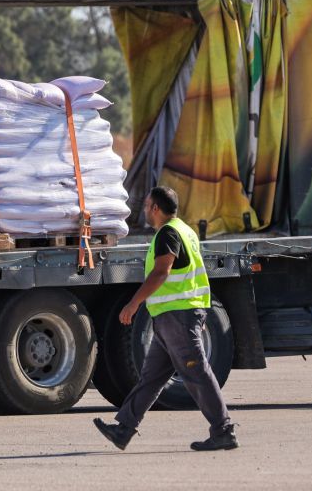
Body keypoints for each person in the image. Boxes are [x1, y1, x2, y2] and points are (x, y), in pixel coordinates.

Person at [93, 186, 239, 451]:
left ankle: (223, 430)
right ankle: (123, 429)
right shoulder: (186, 231)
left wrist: (133, 303)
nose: (146, 210)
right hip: (173, 317)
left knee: (198, 373)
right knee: (150, 378)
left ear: (155, 209)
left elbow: (162, 272)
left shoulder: (168, 233)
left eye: (148, 206)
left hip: (178, 317)